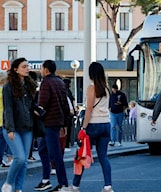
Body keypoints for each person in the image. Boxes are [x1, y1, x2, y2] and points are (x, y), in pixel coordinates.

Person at [64, 61, 113, 192]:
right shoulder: (107, 89)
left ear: (91, 74)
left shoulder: (92, 88)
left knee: (81, 155)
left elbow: (89, 109)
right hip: (106, 124)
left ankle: (75, 186)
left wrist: (83, 128)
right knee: (103, 157)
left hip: (93, 125)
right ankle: (108, 186)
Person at [1, 58, 37, 192]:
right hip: (13, 127)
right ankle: (8, 183)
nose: (27, 68)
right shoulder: (8, 86)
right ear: (16, 69)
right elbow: (8, 109)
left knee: (24, 161)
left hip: (27, 127)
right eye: (24, 66)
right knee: (20, 157)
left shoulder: (30, 85)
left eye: (27, 66)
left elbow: (32, 105)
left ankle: (18, 189)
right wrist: (10, 129)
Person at [35, 60, 71, 192]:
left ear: (45, 70)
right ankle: (45, 180)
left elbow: (42, 104)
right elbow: (65, 104)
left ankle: (63, 184)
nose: (40, 70)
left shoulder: (46, 82)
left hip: (49, 122)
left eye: (41, 68)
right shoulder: (60, 82)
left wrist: (36, 111)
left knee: (55, 154)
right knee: (43, 149)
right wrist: (65, 123)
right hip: (57, 121)